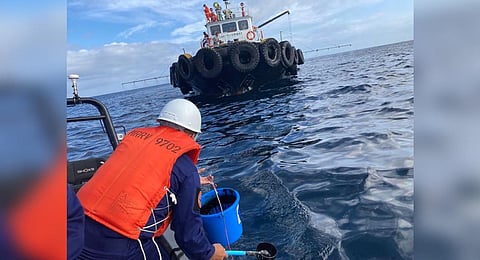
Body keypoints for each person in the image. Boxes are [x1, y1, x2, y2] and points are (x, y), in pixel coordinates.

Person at [76, 99, 227, 260]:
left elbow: (141, 173)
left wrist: (187, 181)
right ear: (191, 135)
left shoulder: (134, 140)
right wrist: (210, 253)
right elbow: (187, 235)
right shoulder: (186, 170)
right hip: (118, 244)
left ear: (161, 122)